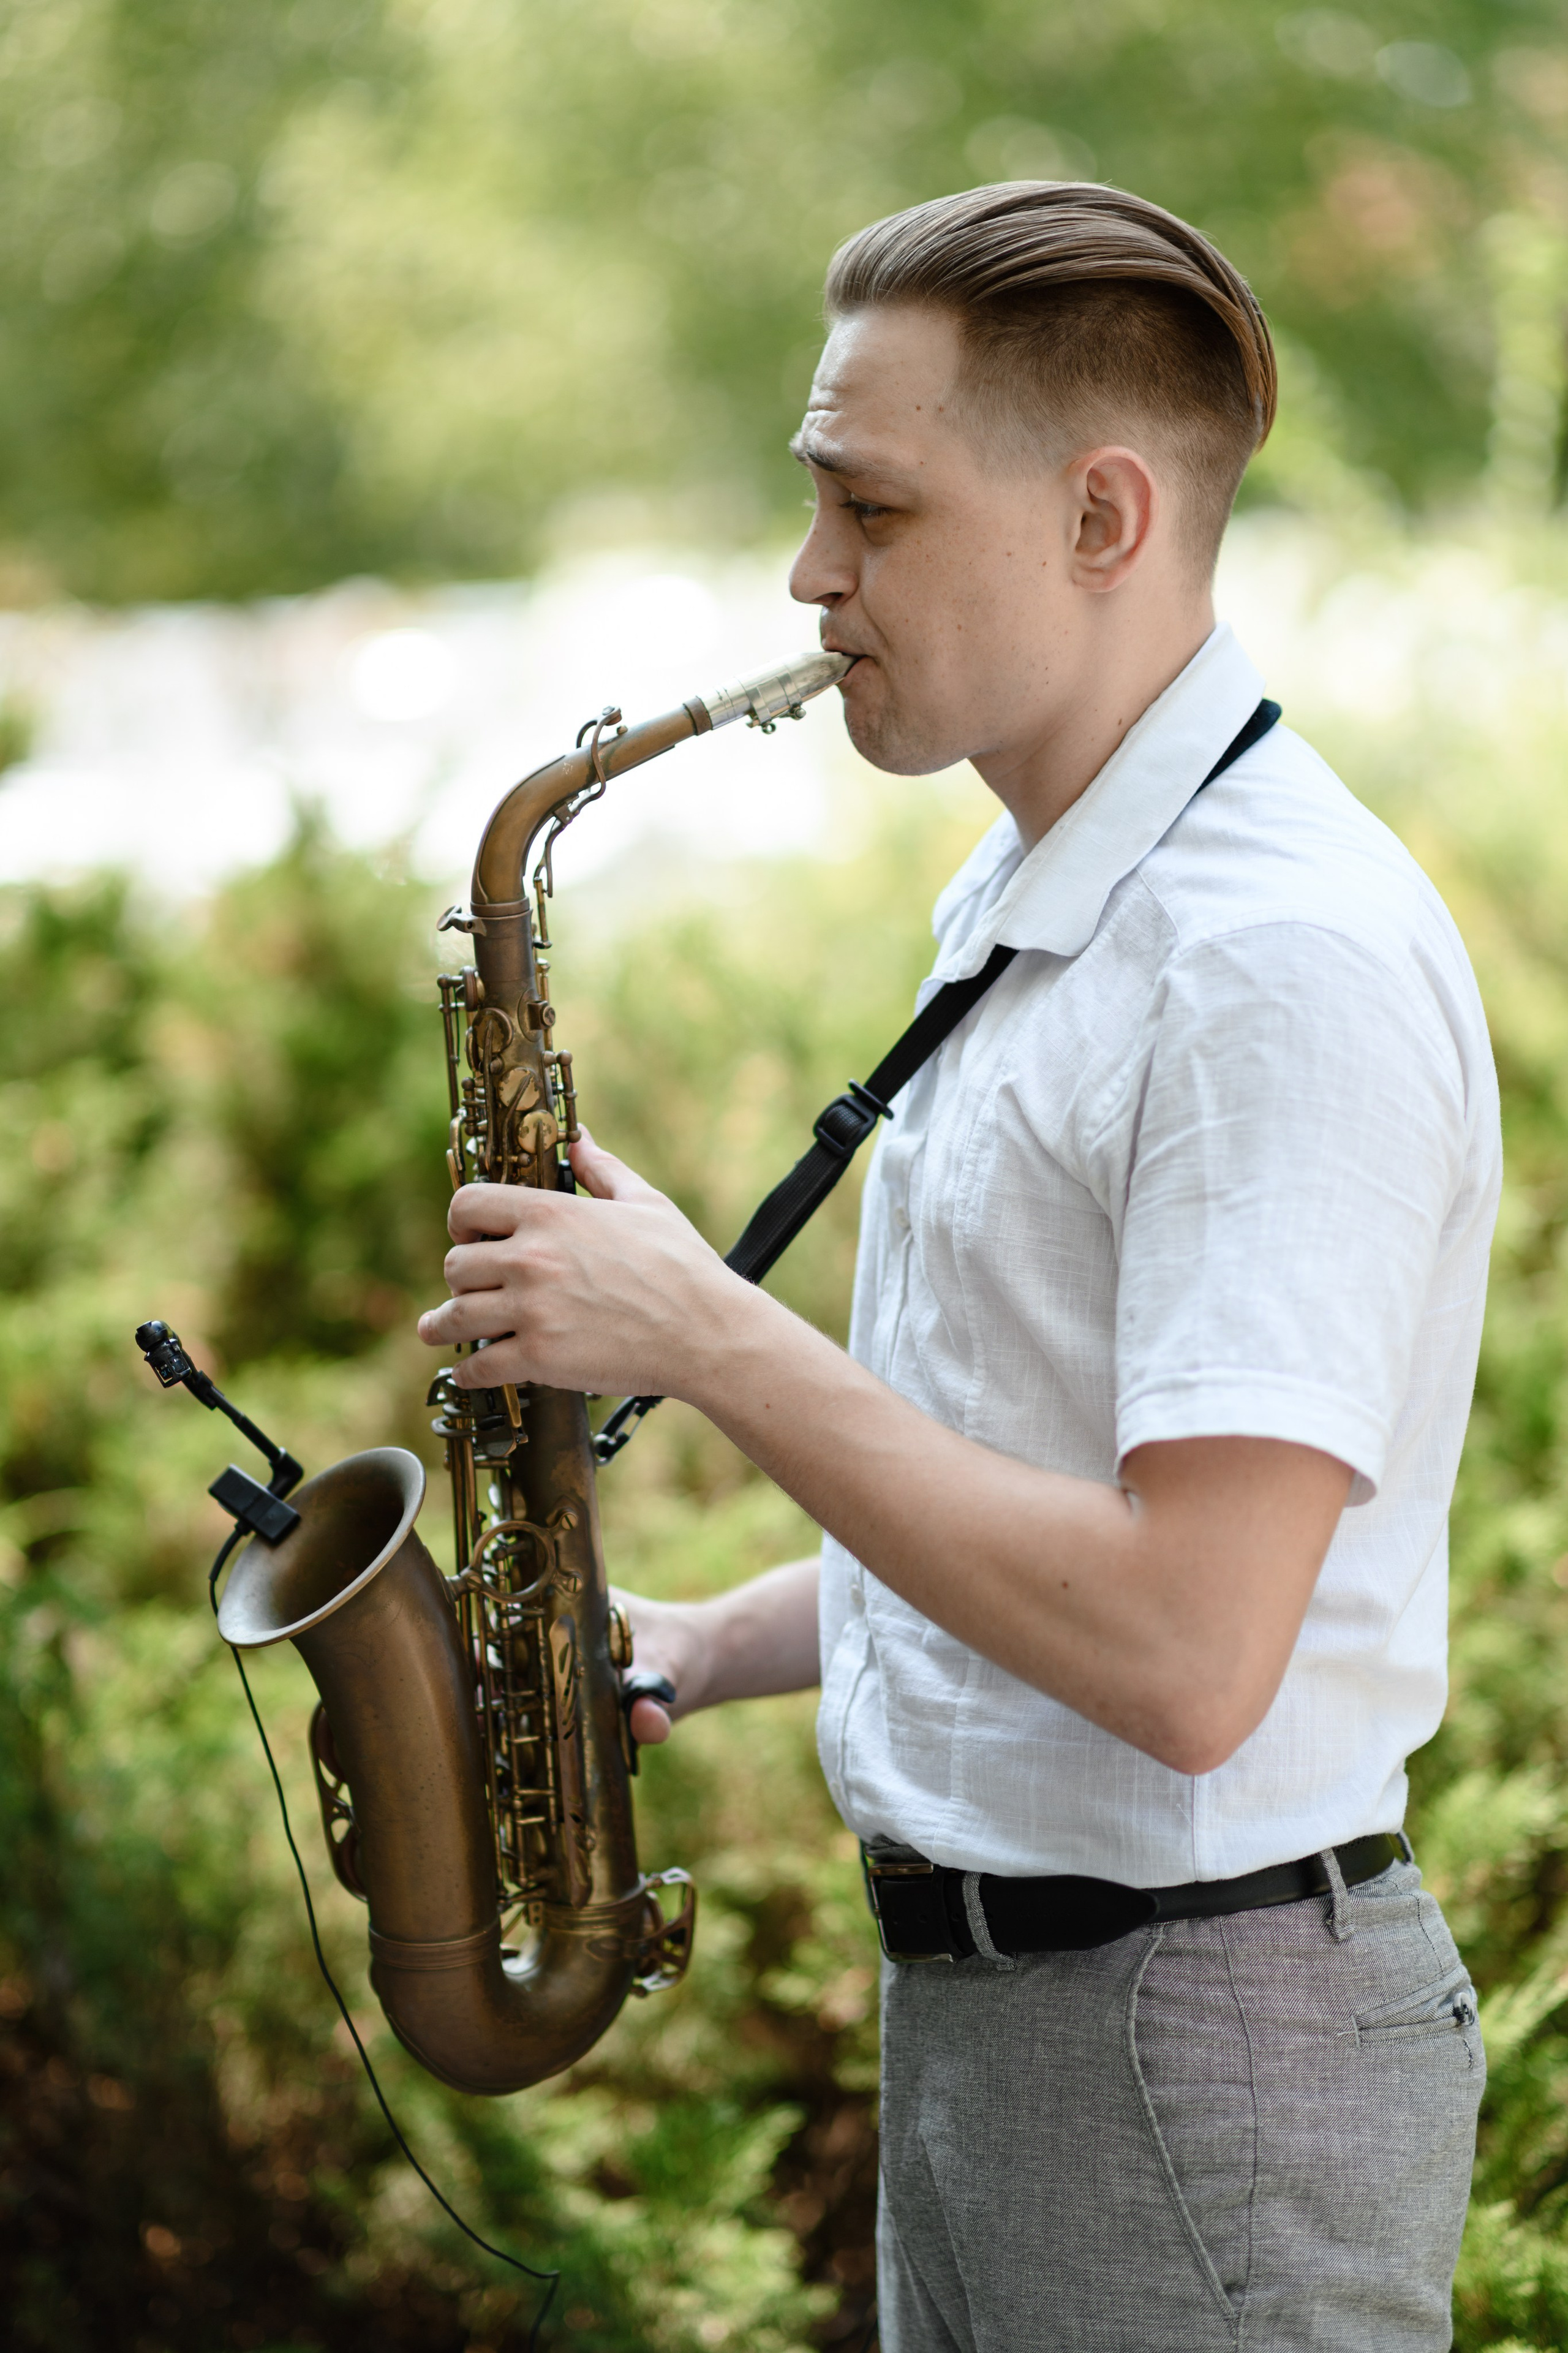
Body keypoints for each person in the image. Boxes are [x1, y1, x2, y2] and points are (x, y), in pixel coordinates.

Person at [417, 183, 1501, 2352]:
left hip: (1185, 2047)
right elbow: (1053, 1483)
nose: (809, 577)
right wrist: (706, 1642)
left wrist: (712, 1340)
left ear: (1104, 514)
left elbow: (1194, 1646)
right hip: (1053, 2027)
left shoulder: (1270, 959)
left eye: (869, 507)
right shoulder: (1044, 892)